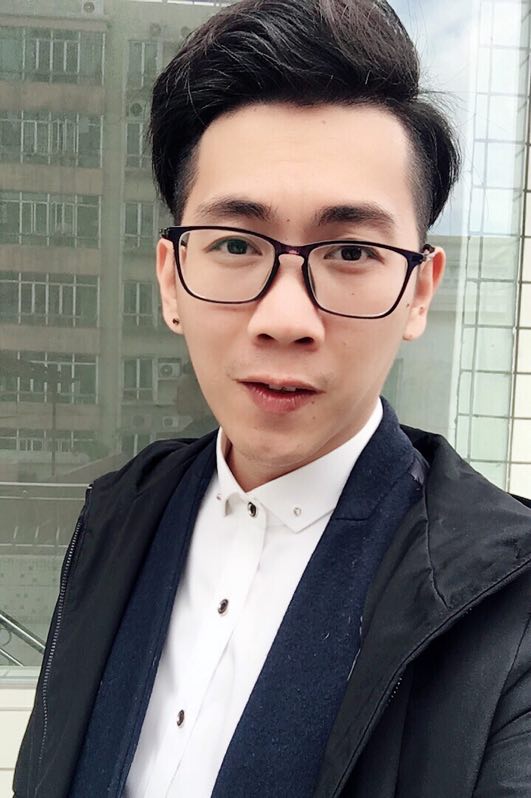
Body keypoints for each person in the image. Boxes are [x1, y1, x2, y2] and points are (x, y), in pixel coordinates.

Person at [14, 1, 531, 796]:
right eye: (234, 244)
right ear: (170, 280)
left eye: (350, 251)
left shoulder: (508, 602)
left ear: (419, 291)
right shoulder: (117, 515)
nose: (284, 319)